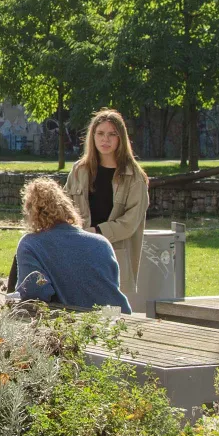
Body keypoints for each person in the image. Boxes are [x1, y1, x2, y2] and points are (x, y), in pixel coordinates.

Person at [62, 109, 150, 302]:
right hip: (80, 252)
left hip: (114, 256)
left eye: (112, 134)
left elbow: (130, 223)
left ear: (121, 138)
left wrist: (96, 232)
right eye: (100, 133)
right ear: (92, 136)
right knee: (79, 312)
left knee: (111, 318)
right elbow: (63, 208)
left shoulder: (134, 177)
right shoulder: (79, 170)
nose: (105, 140)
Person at [11, 178, 132, 313]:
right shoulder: (102, 243)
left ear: (31, 213)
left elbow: (36, 291)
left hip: (77, 323)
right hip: (118, 319)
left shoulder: (31, 244)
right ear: (66, 206)